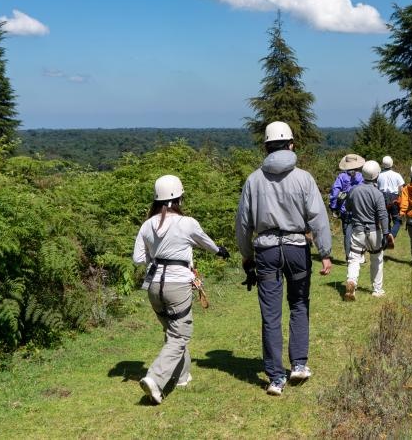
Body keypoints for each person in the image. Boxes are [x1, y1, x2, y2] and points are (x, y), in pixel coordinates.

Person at [236, 121, 333, 396]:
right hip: (296, 248)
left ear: (266, 147)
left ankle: (275, 378)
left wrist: (247, 255)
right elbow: (318, 217)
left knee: (270, 315)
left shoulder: (254, 180)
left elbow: (243, 223)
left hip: (266, 251)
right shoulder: (304, 178)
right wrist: (325, 252)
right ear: (291, 145)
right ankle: (299, 364)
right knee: (299, 304)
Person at [133, 174, 230, 404]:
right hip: (177, 285)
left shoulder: (147, 225)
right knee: (180, 334)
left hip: (154, 286)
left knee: (172, 331)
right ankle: (155, 378)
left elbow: (138, 259)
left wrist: (156, 257)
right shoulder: (187, 223)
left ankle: (182, 377)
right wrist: (220, 251)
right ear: (178, 198)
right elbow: (207, 243)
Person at [344, 160, 389, 300]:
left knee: (354, 258)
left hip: (358, 230)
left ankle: (352, 281)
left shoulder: (354, 190)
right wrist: (386, 233)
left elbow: (348, 207)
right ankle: (377, 290)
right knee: (377, 259)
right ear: (376, 175)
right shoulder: (377, 193)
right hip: (374, 231)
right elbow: (383, 215)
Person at [329, 154, 365, 260]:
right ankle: (359, 254)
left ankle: (348, 256)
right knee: (359, 231)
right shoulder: (361, 176)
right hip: (359, 208)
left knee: (347, 233)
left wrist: (334, 207)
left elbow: (335, 192)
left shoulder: (341, 177)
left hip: (345, 209)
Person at [377, 155, 405, 241]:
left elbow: (376, 189)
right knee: (397, 220)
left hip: (382, 198)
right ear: (392, 164)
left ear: (382, 164)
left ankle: (386, 239)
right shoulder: (397, 175)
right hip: (394, 198)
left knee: (386, 220)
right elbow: (402, 189)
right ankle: (392, 235)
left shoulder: (379, 175)